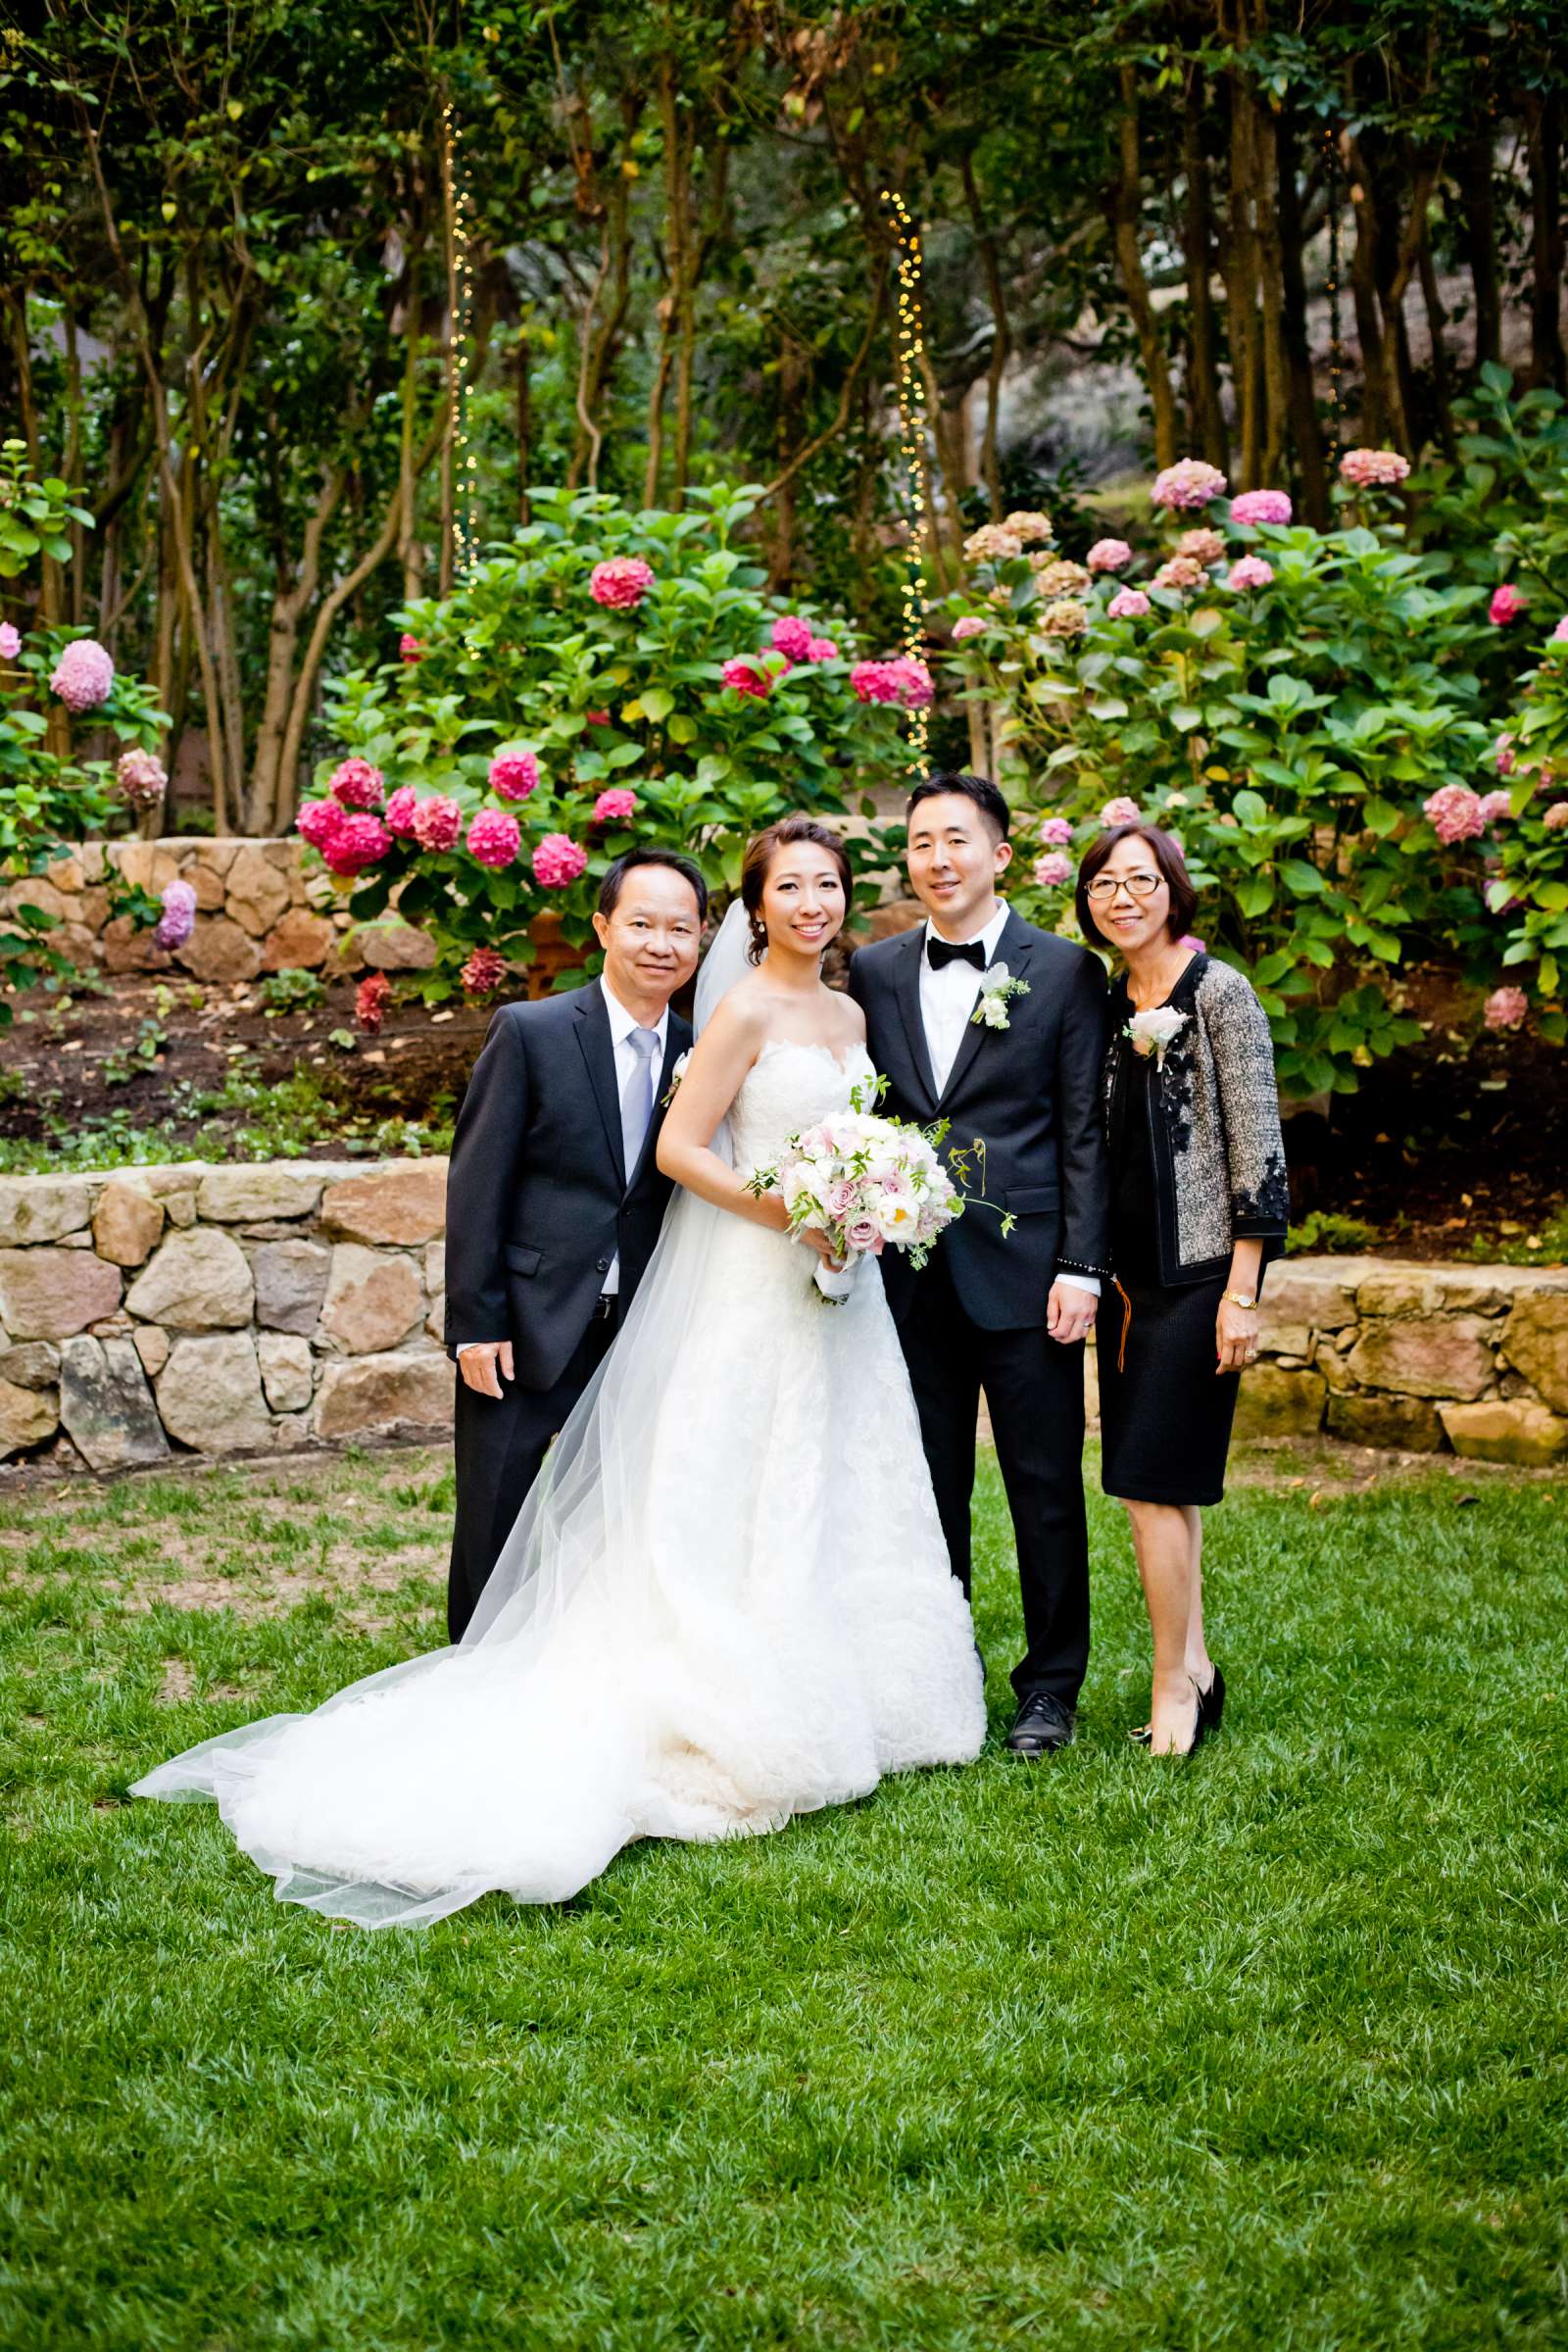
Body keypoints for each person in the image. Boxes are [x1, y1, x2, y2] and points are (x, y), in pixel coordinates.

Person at [129, 818, 985, 1926]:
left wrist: (869, 1203)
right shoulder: (709, 1017)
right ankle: (536, 1665)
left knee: (837, 1472)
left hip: (835, 1294)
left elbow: (783, 1144)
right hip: (740, 1270)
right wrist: (793, 1208)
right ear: (755, 907)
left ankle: (868, 1694)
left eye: (830, 886)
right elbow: (676, 1152)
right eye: (790, 888)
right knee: (697, 1483)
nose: (813, 904)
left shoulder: (850, 1012)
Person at [848, 772, 1111, 1759]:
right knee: (927, 1485)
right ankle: (939, 1673)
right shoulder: (871, 972)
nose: (938, 859)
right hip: (908, 1277)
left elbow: (1082, 1129)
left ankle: (1049, 1686)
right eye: (920, 842)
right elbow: (867, 1111)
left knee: (1043, 1484)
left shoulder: (1065, 970)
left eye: (957, 839)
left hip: (1029, 1268)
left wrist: (1080, 1265)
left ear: (1000, 854)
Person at [442, 847, 704, 1641]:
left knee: (615, 1516)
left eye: (681, 929)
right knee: (495, 1510)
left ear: (700, 942)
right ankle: (472, 1671)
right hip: (526, 1320)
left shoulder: (704, 1051)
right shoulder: (532, 1031)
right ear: (602, 927)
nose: (661, 945)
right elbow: (477, 1182)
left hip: (641, 1328)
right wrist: (475, 1323)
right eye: (642, 925)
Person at [1079, 820, 1288, 1758]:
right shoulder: (1110, 997)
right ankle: (1197, 1667)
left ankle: (1172, 1686)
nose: (1122, 897)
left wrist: (1241, 1292)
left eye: (1139, 879)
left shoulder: (1221, 994)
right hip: (1124, 1282)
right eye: (1103, 884)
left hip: (1198, 1280)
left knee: (1146, 1484)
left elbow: (1260, 1151)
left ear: (1172, 888)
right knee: (1163, 1487)